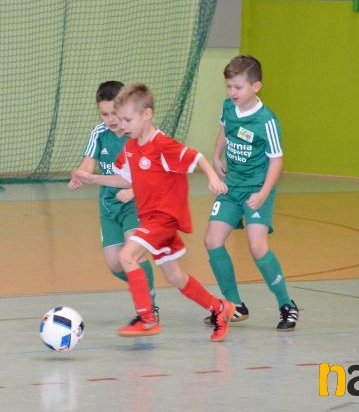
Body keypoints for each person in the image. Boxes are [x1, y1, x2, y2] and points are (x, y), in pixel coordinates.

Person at [72, 83, 236, 341]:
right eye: (119, 119)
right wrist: (93, 179)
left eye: (127, 120)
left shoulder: (162, 145)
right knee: (175, 275)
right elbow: (124, 179)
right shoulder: (131, 147)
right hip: (151, 218)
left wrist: (213, 178)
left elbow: (196, 157)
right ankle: (220, 308)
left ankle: (147, 318)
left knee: (127, 256)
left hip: (163, 218)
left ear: (146, 114)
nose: (122, 125)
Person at [203, 55, 299, 331]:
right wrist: (216, 155)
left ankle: (287, 305)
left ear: (256, 86)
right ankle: (234, 305)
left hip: (257, 189)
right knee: (212, 241)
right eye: (229, 87)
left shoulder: (266, 120)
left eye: (238, 87)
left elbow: (276, 161)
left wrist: (263, 193)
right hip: (231, 186)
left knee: (257, 247)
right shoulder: (228, 107)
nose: (232, 92)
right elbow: (224, 128)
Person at [68, 81, 158, 320]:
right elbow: (89, 163)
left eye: (114, 113)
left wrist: (134, 190)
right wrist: (80, 175)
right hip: (109, 206)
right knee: (114, 264)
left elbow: (152, 173)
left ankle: (148, 306)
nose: (110, 120)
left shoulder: (137, 134)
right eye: (104, 114)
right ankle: (142, 286)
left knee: (131, 254)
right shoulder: (99, 133)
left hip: (136, 204)